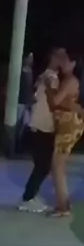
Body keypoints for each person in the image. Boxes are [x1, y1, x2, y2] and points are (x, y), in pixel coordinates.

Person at [17, 48, 65, 213]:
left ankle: (31, 195)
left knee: (42, 165)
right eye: (60, 57)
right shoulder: (50, 77)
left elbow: (35, 98)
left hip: (40, 124)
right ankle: (27, 198)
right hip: (43, 126)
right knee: (43, 166)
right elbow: (54, 102)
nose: (63, 60)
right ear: (53, 58)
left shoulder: (45, 76)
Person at [46, 49, 84, 217]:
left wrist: (49, 88)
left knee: (58, 165)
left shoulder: (70, 81)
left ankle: (63, 206)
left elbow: (55, 101)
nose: (62, 63)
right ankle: (63, 203)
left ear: (73, 64)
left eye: (65, 60)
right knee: (58, 165)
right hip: (70, 123)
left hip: (69, 125)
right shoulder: (71, 80)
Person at [16, 52, 34, 150]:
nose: (31, 60)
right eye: (29, 57)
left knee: (24, 124)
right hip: (20, 101)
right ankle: (15, 144)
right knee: (18, 122)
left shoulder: (29, 71)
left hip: (26, 101)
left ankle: (19, 144)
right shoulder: (20, 71)